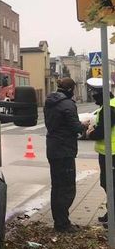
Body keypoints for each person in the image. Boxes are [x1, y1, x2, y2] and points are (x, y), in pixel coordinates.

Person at [44, 78, 84, 232]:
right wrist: (83, 125)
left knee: (57, 187)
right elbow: (75, 127)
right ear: (70, 89)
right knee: (67, 188)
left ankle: (59, 221)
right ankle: (62, 224)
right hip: (65, 151)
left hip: (53, 149)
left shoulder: (50, 102)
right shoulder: (67, 104)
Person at [85, 78, 115, 225]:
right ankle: (111, 213)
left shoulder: (109, 108)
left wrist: (90, 133)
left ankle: (113, 218)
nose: (92, 97)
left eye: (94, 94)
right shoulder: (109, 105)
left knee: (109, 184)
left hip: (111, 154)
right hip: (108, 152)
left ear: (100, 94)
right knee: (108, 183)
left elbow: (102, 132)